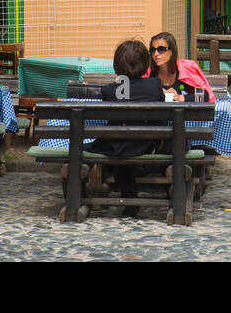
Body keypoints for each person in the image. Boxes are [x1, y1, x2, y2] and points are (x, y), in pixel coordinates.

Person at [90, 39, 164, 217]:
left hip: (117, 146)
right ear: (145, 64)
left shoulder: (109, 91)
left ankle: (112, 194)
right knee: (126, 143)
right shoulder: (154, 86)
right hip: (146, 144)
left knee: (113, 144)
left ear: (117, 65)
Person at [147, 32, 214, 102]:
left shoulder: (185, 70)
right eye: (153, 50)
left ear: (172, 51)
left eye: (161, 49)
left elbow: (205, 95)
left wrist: (181, 97)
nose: (156, 54)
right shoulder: (148, 73)